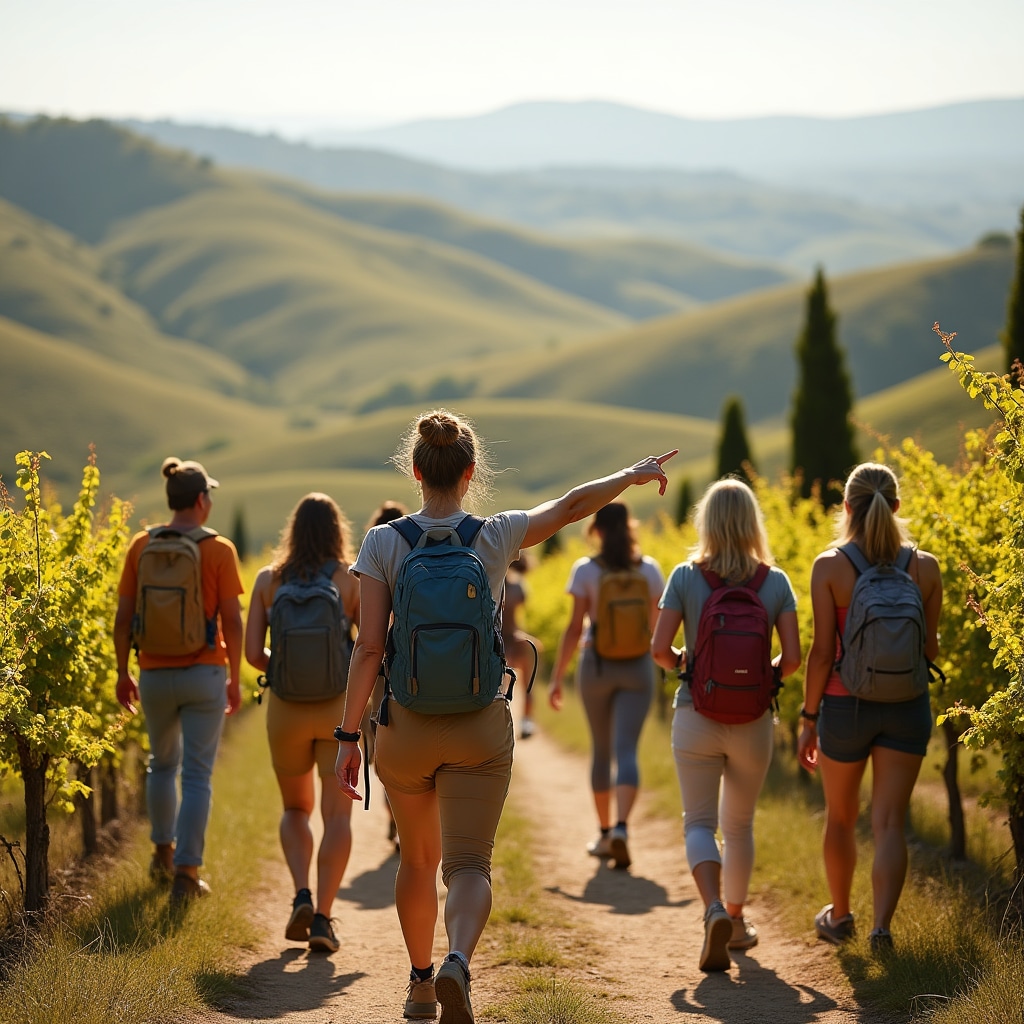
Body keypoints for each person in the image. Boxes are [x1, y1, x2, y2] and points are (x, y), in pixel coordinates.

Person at [334, 408, 674, 1024]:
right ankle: (458, 961)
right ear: (470, 473)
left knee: (416, 861)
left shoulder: (383, 543)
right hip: (480, 724)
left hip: (404, 726)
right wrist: (632, 473)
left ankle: (418, 984)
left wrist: (349, 734)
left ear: (414, 471)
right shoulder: (495, 535)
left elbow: (368, 648)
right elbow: (572, 506)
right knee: (469, 865)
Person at [651, 478, 801, 972]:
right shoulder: (775, 582)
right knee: (739, 824)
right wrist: (761, 678)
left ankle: (712, 908)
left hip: (696, 712)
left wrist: (688, 667)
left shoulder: (685, 576)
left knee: (699, 822)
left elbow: (659, 650)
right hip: (754, 719)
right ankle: (735, 922)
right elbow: (794, 658)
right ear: (752, 522)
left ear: (707, 522)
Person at [797, 463, 942, 953]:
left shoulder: (830, 566)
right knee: (889, 823)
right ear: (896, 506)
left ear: (846, 507)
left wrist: (808, 717)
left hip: (844, 707)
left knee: (840, 819)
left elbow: (821, 652)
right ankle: (882, 930)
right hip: (907, 704)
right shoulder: (926, 567)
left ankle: (840, 918)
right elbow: (932, 650)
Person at [114, 457, 244, 903]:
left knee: (161, 765)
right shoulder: (220, 550)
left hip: (152, 672)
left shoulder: (140, 545)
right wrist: (233, 678)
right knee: (197, 775)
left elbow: (122, 617)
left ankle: (161, 854)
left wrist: (121, 672)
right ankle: (187, 876)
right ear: (202, 501)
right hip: (204, 671)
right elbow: (232, 620)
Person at [244, 493, 360, 953]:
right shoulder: (350, 580)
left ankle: (301, 894)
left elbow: (254, 655)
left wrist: (289, 664)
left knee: (296, 810)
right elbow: (369, 647)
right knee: (337, 817)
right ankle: (325, 921)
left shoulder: (268, 581)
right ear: (337, 530)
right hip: (339, 712)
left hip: (286, 711)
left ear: (293, 529)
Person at [547, 502, 665, 870]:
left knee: (601, 750)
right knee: (627, 749)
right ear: (630, 528)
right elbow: (657, 624)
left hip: (595, 666)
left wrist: (556, 677)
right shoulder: (649, 569)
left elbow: (573, 628)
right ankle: (623, 828)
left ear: (596, 530)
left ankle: (602, 833)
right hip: (638, 668)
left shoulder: (586, 571)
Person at [362, 499, 409, 853]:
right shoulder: (412, 554)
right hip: (411, 663)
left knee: (381, 744)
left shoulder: (377, 555)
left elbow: (366, 636)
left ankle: (393, 816)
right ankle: (403, 818)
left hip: (380, 672)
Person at [502, 556, 541, 739]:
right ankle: (506, 720)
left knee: (526, 678)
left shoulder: (515, 587)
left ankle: (526, 721)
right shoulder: (515, 587)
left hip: (510, 637)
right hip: (501, 638)